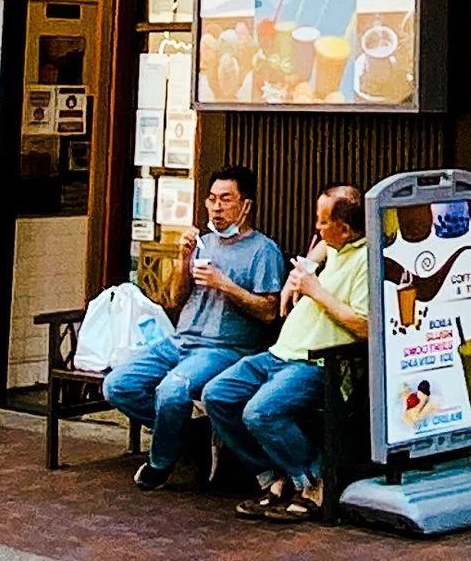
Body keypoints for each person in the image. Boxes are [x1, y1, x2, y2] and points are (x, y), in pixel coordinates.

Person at [101, 167, 284, 489]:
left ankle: (160, 463)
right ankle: (189, 432)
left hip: (225, 347)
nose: (216, 208)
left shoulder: (263, 250)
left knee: (173, 390)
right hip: (181, 340)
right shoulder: (203, 243)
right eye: (211, 200)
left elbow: (270, 312)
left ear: (246, 205)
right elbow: (175, 298)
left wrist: (226, 285)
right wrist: (184, 259)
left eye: (226, 200)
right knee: (118, 385)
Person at [199, 186, 369, 522]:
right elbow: (321, 246)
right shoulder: (335, 246)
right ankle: (273, 475)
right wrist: (303, 268)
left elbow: (364, 326)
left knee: (260, 412)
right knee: (217, 395)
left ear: (345, 229)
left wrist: (314, 290)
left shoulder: (366, 261)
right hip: (279, 353)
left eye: (322, 222)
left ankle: (314, 480)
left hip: (317, 361)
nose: (316, 229)